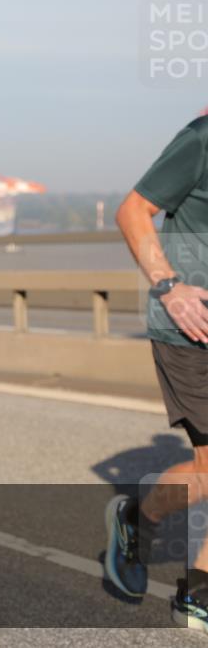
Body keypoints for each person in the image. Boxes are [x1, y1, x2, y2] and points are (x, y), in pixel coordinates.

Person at [104, 114, 208, 633]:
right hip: (193, 329)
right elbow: (133, 210)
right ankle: (197, 596)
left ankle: (136, 522)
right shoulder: (200, 139)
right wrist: (169, 287)